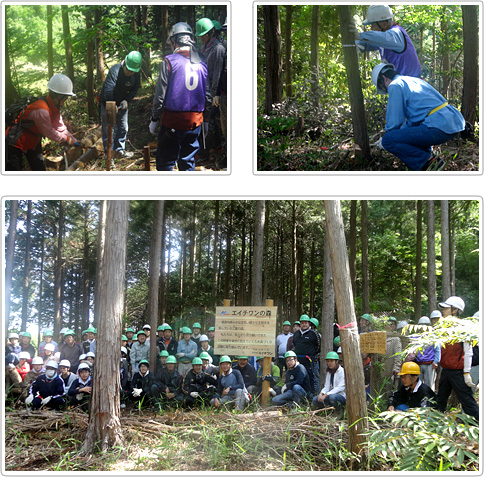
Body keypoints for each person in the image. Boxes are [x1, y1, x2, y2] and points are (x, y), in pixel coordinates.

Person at [371, 63, 465, 171]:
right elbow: (412, 123)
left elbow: (394, 122)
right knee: (413, 132)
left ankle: (430, 163)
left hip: (438, 126)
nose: (385, 91)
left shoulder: (395, 85)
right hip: (453, 121)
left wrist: (386, 138)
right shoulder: (412, 80)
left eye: (383, 88)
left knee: (388, 140)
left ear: (384, 78)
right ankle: (429, 160)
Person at [149, 22, 208, 171]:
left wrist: (155, 118)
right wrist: (206, 119)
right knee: (188, 162)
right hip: (195, 122)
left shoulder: (169, 61)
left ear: (175, 42)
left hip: (173, 122)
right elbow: (207, 95)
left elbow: (160, 96)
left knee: (166, 163)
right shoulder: (202, 63)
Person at [5, 73, 79, 171]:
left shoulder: (55, 107)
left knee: (39, 169)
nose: (65, 100)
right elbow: (50, 133)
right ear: (57, 96)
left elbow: (60, 127)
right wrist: (67, 139)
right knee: (13, 170)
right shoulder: (41, 109)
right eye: (65, 98)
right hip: (15, 141)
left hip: (33, 142)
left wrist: (73, 139)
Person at [435, 296, 479, 422]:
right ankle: (435, 424)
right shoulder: (444, 327)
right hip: (446, 370)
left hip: (458, 372)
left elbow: (468, 351)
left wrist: (466, 373)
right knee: (440, 399)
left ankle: (477, 425)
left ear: (455, 310)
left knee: (467, 400)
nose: (443, 311)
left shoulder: (463, 328)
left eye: (446, 308)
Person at [352, 5, 421, 78]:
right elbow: (367, 45)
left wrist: (360, 36)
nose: (372, 29)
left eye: (373, 25)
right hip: (400, 84)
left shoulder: (396, 34)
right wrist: (356, 43)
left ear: (384, 24)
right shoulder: (384, 39)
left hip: (410, 85)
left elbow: (382, 38)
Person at [99, 51, 141, 161]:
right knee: (108, 129)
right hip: (108, 103)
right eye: (128, 70)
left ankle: (118, 151)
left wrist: (127, 100)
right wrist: (112, 106)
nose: (130, 73)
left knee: (123, 128)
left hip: (122, 103)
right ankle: (108, 155)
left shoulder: (136, 73)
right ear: (124, 64)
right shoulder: (115, 70)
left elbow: (135, 88)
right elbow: (108, 91)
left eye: (132, 71)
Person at [195, 18, 225, 163]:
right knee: (210, 120)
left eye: (203, 35)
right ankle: (218, 146)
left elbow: (218, 73)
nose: (200, 38)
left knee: (208, 122)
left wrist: (215, 94)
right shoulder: (205, 47)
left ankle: (204, 153)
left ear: (210, 33)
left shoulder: (218, 49)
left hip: (210, 92)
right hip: (202, 89)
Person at [292, 314, 320, 395]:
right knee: (299, 376)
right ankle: (301, 394)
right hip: (298, 359)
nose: (304, 324)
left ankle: (313, 395)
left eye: (306, 323)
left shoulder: (313, 334)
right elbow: (294, 344)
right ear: (300, 324)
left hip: (310, 359)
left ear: (309, 324)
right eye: (302, 323)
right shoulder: (296, 334)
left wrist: (311, 354)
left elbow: (318, 346)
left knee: (312, 377)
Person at [413, 316, 440, 390]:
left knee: (429, 384)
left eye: (425, 325)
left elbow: (437, 350)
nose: (423, 327)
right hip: (419, 363)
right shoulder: (416, 337)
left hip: (430, 364)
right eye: (421, 325)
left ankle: (429, 399)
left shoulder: (433, 336)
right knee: (418, 384)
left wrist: (435, 361)